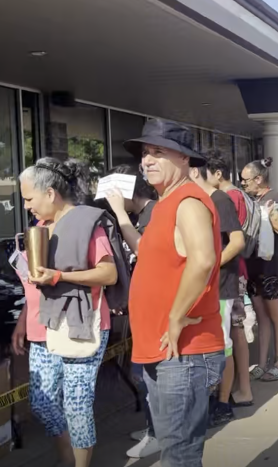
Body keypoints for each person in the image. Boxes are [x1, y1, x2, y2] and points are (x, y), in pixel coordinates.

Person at [124, 119, 225, 467]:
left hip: (185, 352)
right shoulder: (166, 203)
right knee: (174, 449)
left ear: (184, 159)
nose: (147, 160)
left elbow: (203, 260)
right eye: (145, 154)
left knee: (179, 455)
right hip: (165, 350)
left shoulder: (187, 201)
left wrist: (176, 316)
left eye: (157, 152)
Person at [13, 158, 118, 467]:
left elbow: (108, 274)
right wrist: (22, 322)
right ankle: (67, 457)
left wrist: (60, 277)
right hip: (42, 325)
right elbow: (34, 285)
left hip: (81, 323)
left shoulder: (87, 223)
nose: (27, 206)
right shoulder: (40, 228)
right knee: (41, 401)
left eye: (29, 198)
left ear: (50, 193)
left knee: (76, 405)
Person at [102, 165, 160, 459]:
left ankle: (157, 432)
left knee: (148, 373)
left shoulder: (154, 214)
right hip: (142, 304)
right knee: (144, 372)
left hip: (156, 308)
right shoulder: (142, 216)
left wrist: (119, 214)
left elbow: (145, 251)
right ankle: (154, 427)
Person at [189, 159, 245, 427]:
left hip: (221, 286)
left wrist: (212, 265)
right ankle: (214, 399)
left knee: (223, 345)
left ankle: (223, 402)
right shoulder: (194, 201)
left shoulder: (219, 198)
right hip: (203, 285)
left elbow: (237, 241)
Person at [205, 154, 255, 407]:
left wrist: (210, 266)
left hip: (228, 277)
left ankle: (238, 391)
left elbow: (236, 241)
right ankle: (238, 388)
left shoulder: (225, 197)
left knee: (232, 336)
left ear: (216, 173)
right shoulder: (229, 196)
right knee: (233, 335)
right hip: (232, 274)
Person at [241, 157, 278, 382]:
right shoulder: (250, 200)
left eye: (246, 180)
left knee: (274, 315)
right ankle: (262, 363)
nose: (243, 184)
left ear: (259, 178)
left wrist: (271, 221)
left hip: (271, 265)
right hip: (252, 264)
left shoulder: (277, 198)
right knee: (261, 315)